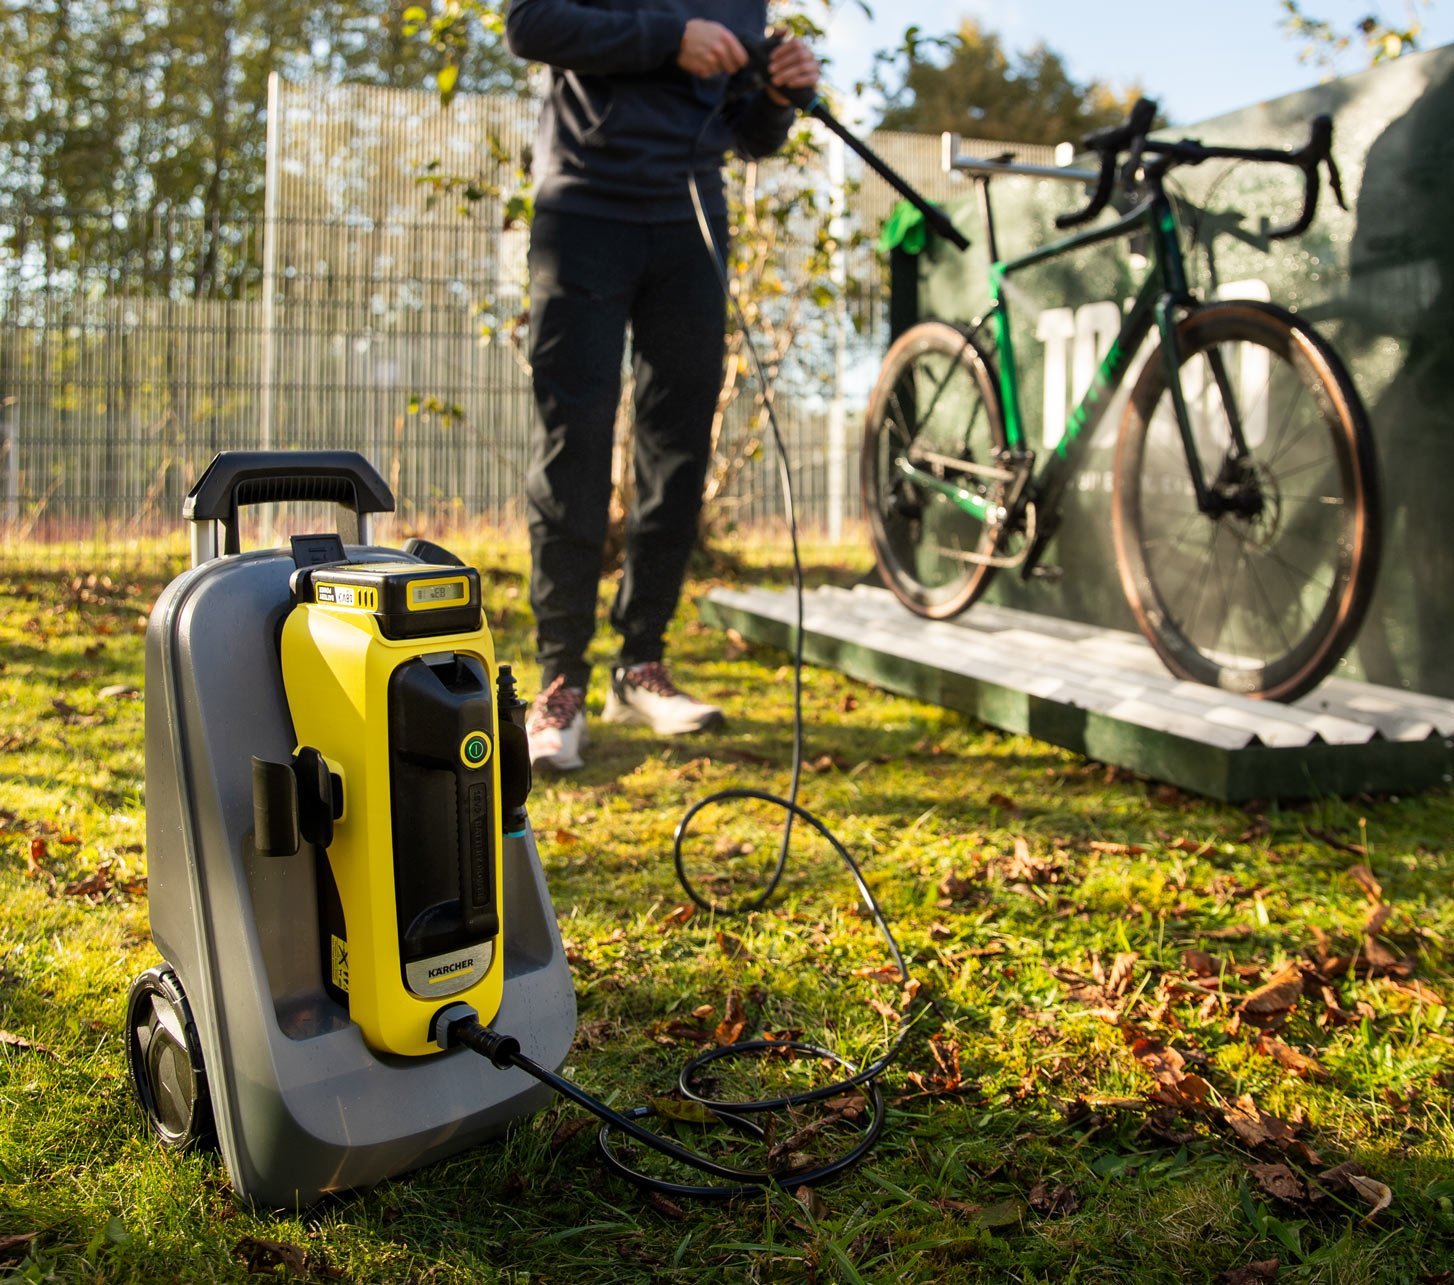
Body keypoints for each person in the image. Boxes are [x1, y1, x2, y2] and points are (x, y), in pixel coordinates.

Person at [503, 0, 820, 770]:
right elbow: (531, 24)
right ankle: (559, 680)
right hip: (582, 207)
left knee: (677, 445)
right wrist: (670, 39)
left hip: (690, 219)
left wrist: (779, 93)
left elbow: (746, 131)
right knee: (572, 440)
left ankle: (641, 662)